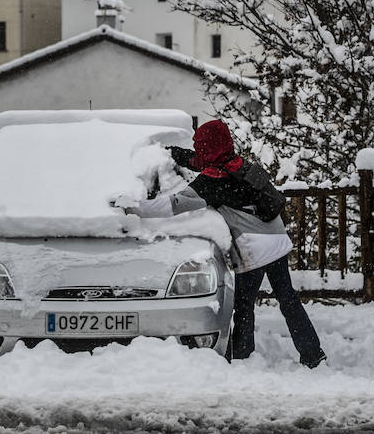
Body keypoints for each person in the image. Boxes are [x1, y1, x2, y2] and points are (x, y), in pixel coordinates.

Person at [123, 118, 325, 367]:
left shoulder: (213, 179)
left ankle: (243, 358)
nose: (198, 151)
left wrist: (132, 206)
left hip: (255, 248)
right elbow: (201, 161)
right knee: (289, 301)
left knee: (243, 307)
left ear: (209, 146)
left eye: (201, 145)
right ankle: (314, 354)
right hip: (277, 239)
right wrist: (175, 154)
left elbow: (175, 204)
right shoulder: (238, 164)